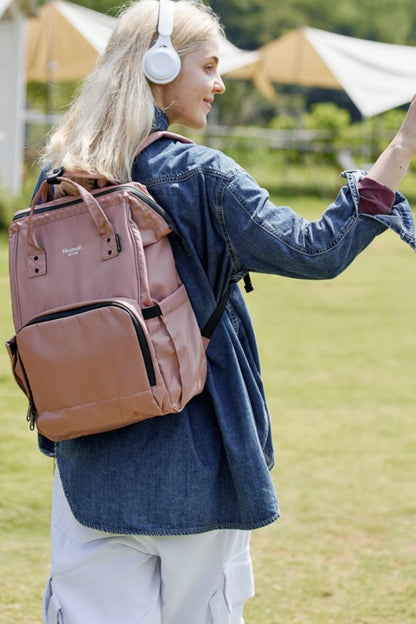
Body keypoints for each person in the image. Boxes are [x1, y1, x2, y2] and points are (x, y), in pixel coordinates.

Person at [34, 1, 416, 622]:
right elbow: (316, 250)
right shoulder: (200, 176)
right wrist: (402, 145)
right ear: (159, 68)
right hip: (198, 452)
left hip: (89, 455)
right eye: (208, 66)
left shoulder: (60, 178)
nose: (219, 82)